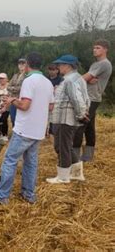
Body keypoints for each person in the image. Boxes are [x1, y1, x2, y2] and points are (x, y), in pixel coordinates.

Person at [0, 53, 54, 205]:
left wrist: (12, 100)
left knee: (10, 160)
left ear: (27, 65)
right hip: (38, 131)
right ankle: (28, 194)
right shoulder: (48, 83)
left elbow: (24, 105)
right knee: (31, 163)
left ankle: (1, 196)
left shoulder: (28, 81)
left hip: (25, 129)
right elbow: (51, 106)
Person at [47, 55, 89, 184]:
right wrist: (83, 112)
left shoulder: (69, 80)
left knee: (61, 146)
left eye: (60, 65)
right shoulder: (78, 78)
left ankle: (63, 176)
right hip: (67, 118)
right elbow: (85, 98)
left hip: (65, 119)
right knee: (67, 146)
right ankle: (76, 173)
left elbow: (76, 99)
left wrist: (81, 115)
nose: (59, 67)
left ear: (68, 66)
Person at [73, 39, 112, 162]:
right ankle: (88, 157)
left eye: (98, 48)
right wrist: (86, 79)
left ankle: (74, 158)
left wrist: (79, 80)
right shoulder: (96, 64)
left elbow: (83, 78)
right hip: (90, 97)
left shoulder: (104, 64)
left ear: (105, 49)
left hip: (92, 98)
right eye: (94, 47)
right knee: (89, 127)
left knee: (80, 125)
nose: (94, 50)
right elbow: (86, 78)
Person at [7, 58, 27, 127]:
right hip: (13, 100)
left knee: (20, 119)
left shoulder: (27, 76)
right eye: (19, 64)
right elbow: (8, 86)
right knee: (13, 118)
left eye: (23, 63)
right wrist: (14, 88)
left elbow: (22, 88)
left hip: (22, 100)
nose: (21, 65)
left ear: (26, 64)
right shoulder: (15, 75)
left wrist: (12, 88)